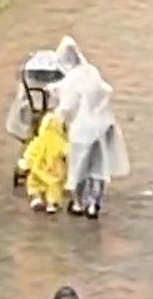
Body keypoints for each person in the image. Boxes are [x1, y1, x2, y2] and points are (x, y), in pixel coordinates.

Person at [50, 36, 129, 218]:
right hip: (102, 126)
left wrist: (57, 112)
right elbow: (103, 89)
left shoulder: (71, 79)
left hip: (82, 130)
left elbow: (68, 104)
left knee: (79, 166)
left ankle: (78, 203)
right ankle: (94, 203)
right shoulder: (91, 71)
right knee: (98, 166)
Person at [19, 109, 69, 214]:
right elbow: (67, 152)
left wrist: (25, 162)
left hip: (39, 168)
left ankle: (36, 198)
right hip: (55, 171)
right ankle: (52, 204)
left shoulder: (39, 140)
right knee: (54, 188)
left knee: (33, 183)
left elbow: (31, 152)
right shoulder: (61, 142)